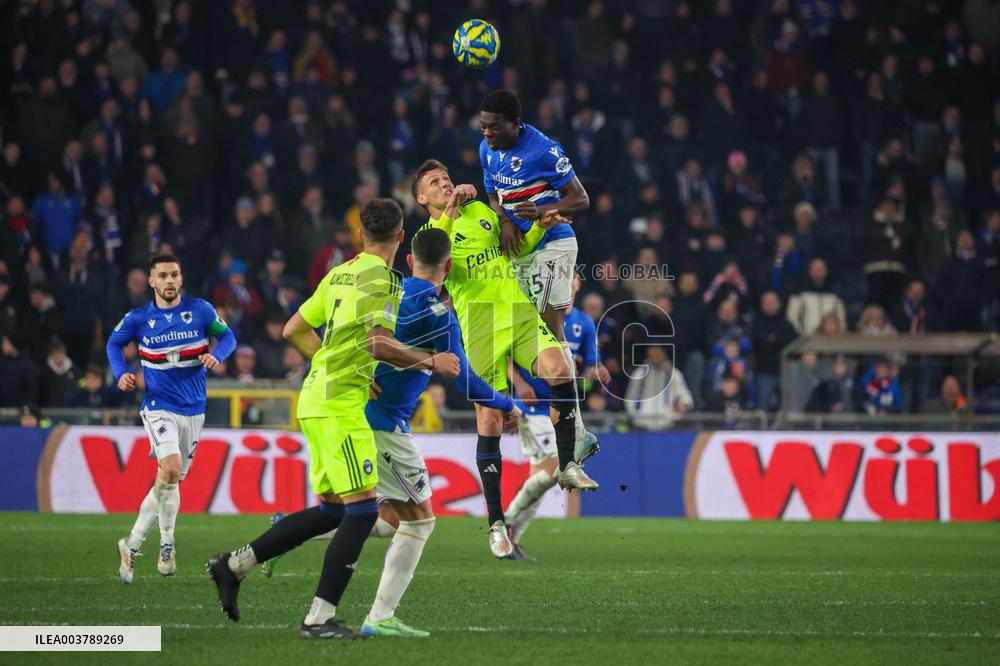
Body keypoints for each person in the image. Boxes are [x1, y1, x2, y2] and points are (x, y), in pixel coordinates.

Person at [207, 199, 460, 640]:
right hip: (341, 406)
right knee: (362, 513)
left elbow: (293, 330)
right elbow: (380, 345)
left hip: (315, 396)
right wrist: (430, 360)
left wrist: (332, 360)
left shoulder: (340, 272)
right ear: (401, 238)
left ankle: (234, 565)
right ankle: (318, 620)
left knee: (332, 511)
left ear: (360, 235)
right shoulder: (384, 279)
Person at [415, 159, 595, 560]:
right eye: (434, 182)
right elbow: (434, 272)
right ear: (421, 198)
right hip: (480, 330)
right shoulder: (429, 235)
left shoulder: (481, 211)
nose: (445, 182)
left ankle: (566, 463)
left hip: (517, 313)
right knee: (490, 419)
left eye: (446, 177)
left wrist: (538, 228)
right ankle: (497, 524)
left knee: (561, 369)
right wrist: (446, 214)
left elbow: (516, 249)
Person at [478, 90, 600, 464]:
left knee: (551, 328)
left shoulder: (544, 151)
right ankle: (569, 425)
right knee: (527, 331)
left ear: (516, 124)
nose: (487, 134)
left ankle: (574, 428)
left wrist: (546, 208)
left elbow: (580, 199)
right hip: (520, 249)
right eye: (483, 127)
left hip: (554, 244)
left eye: (495, 128)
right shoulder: (486, 149)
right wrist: (503, 221)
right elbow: (493, 193)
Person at [107, 254, 237, 583]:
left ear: (181, 279)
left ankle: (132, 543)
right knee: (171, 468)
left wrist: (216, 355)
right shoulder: (139, 318)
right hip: (158, 404)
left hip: (194, 408)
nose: (169, 281)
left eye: (175, 275)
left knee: (169, 481)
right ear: (151, 281)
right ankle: (167, 542)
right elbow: (114, 342)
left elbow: (229, 338)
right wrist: (121, 372)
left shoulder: (202, 311)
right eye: (163, 275)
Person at [504, 277, 609, 560]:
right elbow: (506, 355)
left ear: (576, 285)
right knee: (556, 468)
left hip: (563, 409)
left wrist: (596, 373)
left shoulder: (584, 323)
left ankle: (510, 540)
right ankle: (505, 523)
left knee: (541, 480)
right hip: (534, 407)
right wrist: (521, 385)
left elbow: (589, 364)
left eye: (572, 279)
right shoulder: (534, 313)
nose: (568, 283)